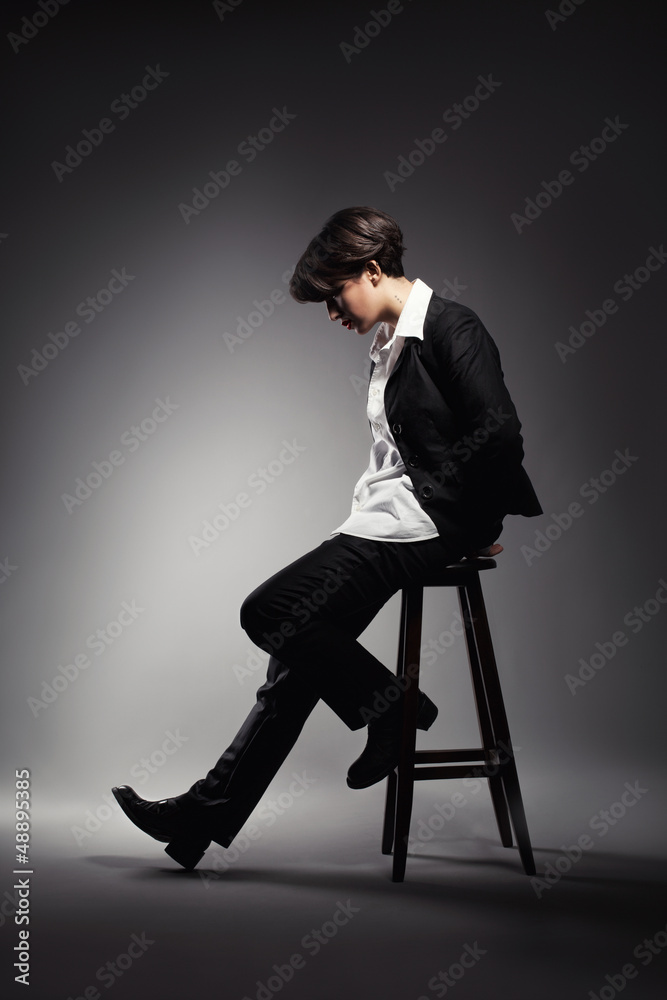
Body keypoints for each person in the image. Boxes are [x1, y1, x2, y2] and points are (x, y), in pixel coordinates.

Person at [112, 206, 542, 870]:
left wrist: (472, 523)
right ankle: (202, 817)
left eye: (334, 294)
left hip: (423, 523)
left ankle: (392, 711)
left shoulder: (452, 327)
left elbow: (500, 435)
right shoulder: (389, 343)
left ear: (371, 269)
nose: (331, 311)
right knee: (294, 669)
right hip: (387, 520)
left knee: (269, 611)